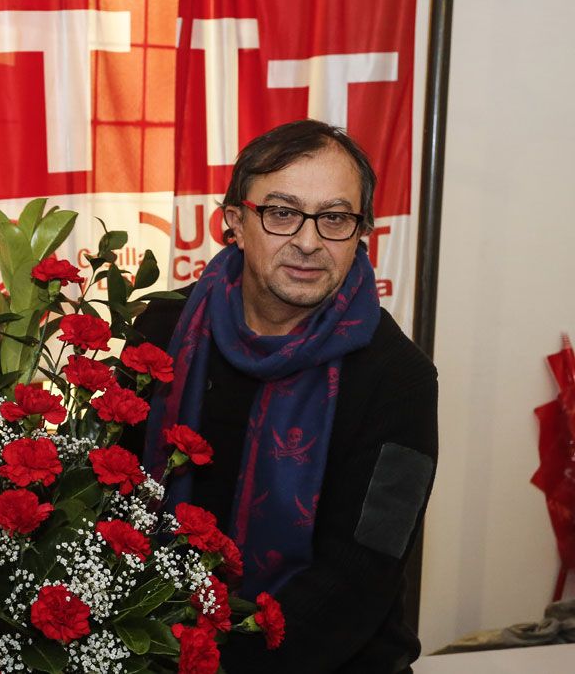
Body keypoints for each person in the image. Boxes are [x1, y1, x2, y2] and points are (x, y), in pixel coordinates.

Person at [123, 119, 438, 672]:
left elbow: (363, 571)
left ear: (360, 231)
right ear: (236, 224)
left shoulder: (399, 377)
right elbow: (113, 494)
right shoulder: (161, 329)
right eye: (283, 212)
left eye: (336, 217)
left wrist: (216, 663)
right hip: (154, 646)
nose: (310, 241)